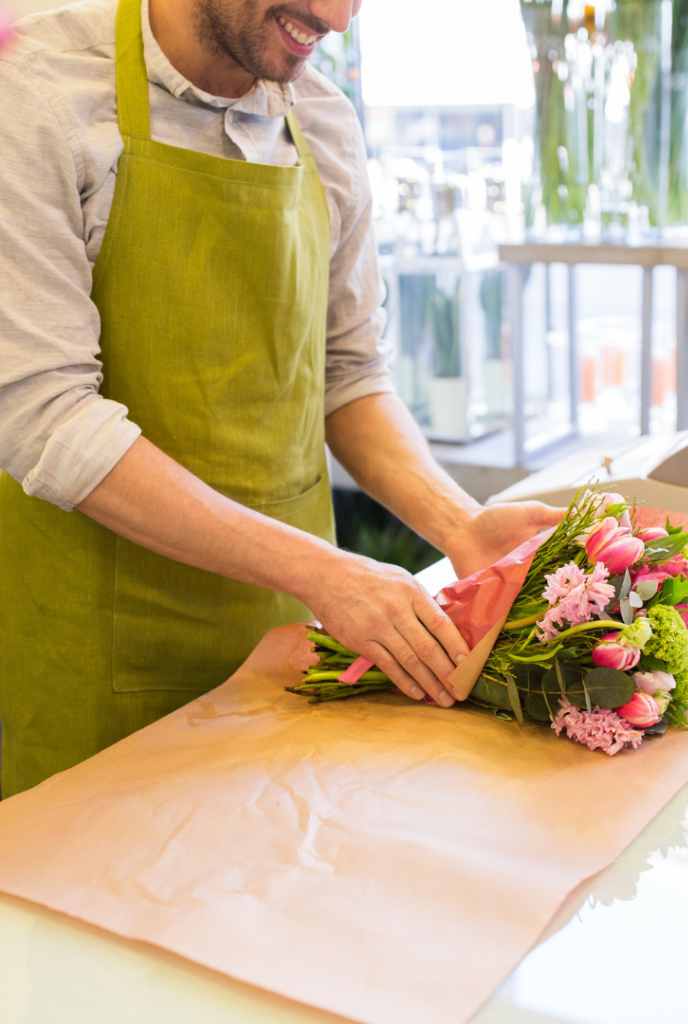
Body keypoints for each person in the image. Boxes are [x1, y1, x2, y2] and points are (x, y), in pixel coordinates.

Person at [0, 0, 561, 797]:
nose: (336, 15)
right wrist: (326, 574)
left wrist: (460, 525)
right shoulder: (36, 94)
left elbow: (347, 372)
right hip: (100, 653)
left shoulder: (323, 122)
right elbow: (44, 418)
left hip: (295, 647)